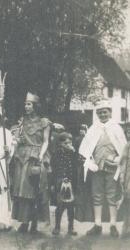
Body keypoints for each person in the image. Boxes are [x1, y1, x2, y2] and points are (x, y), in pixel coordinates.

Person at [78, 99, 126, 237]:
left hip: (112, 168)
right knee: (96, 196)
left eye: (105, 112)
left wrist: (117, 160)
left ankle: (113, 225)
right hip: (96, 168)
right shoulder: (93, 128)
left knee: (112, 196)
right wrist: (90, 162)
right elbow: (84, 150)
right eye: (100, 113)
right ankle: (97, 224)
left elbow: (123, 149)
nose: (102, 115)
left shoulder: (117, 128)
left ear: (110, 113)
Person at [11, 92, 51, 234]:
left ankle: (34, 220)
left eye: (29, 104)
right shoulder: (22, 121)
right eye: (25, 104)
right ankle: (24, 221)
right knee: (22, 191)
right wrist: (13, 144)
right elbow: (18, 139)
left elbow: (46, 141)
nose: (26, 106)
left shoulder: (44, 122)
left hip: (36, 156)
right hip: (22, 157)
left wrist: (41, 155)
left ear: (35, 106)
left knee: (35, 191)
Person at [50, 132, 77, 236]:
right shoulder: (56, 154)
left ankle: (71, 228)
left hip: (71, 182)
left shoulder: (73, 153)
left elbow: (77, 165)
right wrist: (53, 183)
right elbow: (53, 169)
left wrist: (74, 152)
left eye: (70, 142)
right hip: (60, 182)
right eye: (65, 143)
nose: (68, 144)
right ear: (60, 143)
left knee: (71, 207)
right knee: (60, 206)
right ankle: (57, 226)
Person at [119, 124, 130, 238]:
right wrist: (122, 176)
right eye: (128, 132)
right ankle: (126, 227)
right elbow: (123, 163)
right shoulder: (127, 146)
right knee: (128, 203)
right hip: (129, 179)